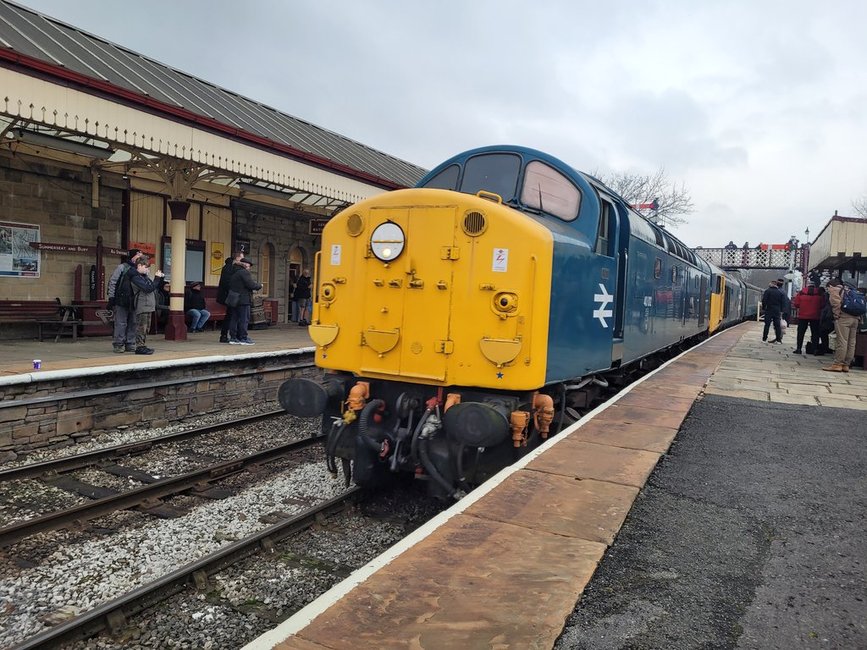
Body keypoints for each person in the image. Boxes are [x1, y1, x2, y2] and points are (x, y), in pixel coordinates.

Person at [107, 248, 143, 353]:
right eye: (138, 255)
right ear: (132, 256)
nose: (140, 258)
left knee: (133, 322)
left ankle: (130, 343)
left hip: (135, 300)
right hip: (121, 299)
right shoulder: (122, 267)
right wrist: (111, 297)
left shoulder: (141, 269)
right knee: (121, 323)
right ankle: (118, 344)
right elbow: (113, 282)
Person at [130, 258, 166, 355]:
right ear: (139, 266)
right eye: (146, 267)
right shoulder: (135, 278)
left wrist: (160, 279)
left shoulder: (144, 277)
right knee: (142, 326)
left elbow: (154, 286)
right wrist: (156, 278)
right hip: (142, 305)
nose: (147, 269)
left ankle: (142, 344)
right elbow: (148, 288)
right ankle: (139, 346)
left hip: (149, 305)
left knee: (147, 327)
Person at [823, 279, 860, 372]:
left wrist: (837, 315)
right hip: (855, 319)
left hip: (843, 319)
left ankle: (837, 364)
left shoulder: (836, 290)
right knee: (851, 342)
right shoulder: (855, 293)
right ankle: (846, 364)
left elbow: (835, 304)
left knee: (842, 341)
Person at [227, 257, 262, 345]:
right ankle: (243, 338)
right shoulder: (244, 272)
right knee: (244, 319)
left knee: (234, 319)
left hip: (234, 299)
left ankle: (233, 337)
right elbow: (251, 284)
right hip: (243, 299)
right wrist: (259, 286)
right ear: (245, 265)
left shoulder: (234, 272)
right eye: (249, 266)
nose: (249, 268)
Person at [216, 251, 243, 343]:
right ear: (237, 258)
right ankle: (225, 335)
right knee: (231, 315)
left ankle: (232, 335)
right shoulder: (229, 268)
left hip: (232, 294)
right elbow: (227, 282)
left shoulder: (232, 267)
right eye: (242, 258)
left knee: (232, 315)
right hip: (230, 295)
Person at [791, 281, 823, 354]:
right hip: (815, 316)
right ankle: (815, 349)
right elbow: (822, 305)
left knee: (801, 333)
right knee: (815, 333)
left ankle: (799, 349)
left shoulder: (801, 293)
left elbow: (796, 304)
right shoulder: (819, 294)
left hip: (803, 316)